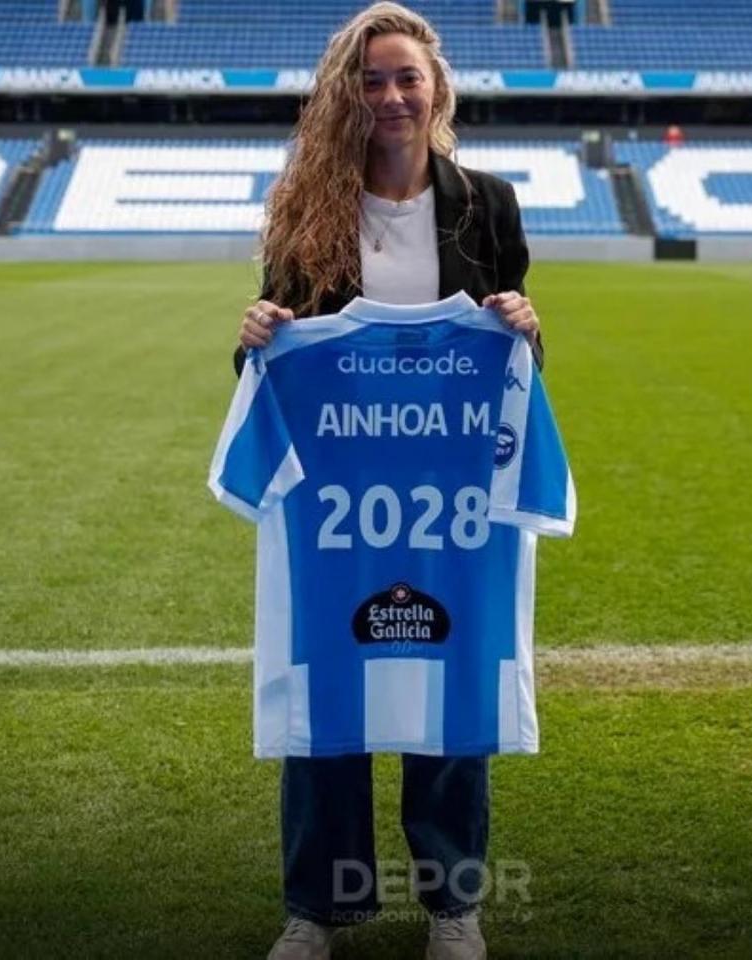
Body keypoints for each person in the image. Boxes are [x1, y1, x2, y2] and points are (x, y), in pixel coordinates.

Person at [232, 4, 544, 959]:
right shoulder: (307, 207)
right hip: (339, 496)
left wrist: (528, 328)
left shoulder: (488, 204)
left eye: (407, 77)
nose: (392, 96)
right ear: (347, 96)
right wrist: (252, 337)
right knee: (326, 695)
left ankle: (454, 906)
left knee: (450, 689)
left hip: (451, 496)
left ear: (436, 86)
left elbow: (514, 368)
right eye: (371, 81)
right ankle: (315, 909)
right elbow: (276, 363)